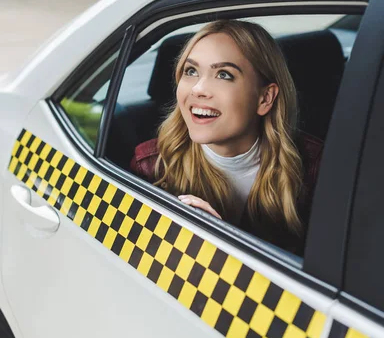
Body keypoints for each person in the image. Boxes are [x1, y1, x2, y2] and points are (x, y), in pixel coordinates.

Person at [131, 20, 323, 256]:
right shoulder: (150, 165)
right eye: (191, 71)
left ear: (265, 98)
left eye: (224, 75)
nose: (198, 89)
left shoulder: (316, 168)